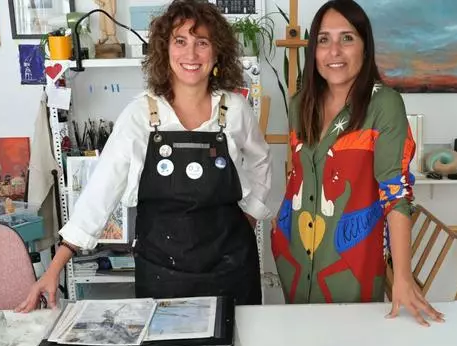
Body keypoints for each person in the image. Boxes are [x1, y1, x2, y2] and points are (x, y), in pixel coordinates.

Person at [17, 0, 272, 312]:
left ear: (217, 52)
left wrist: (252, 213)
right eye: (180, 41)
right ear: (165, 49)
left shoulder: (234, 110)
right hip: (162, 271)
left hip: (231, 267)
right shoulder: (140, 114)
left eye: (202, 43)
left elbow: (261, 161)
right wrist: (55, 267)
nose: (191, 54)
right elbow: (102, 189)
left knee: (236, 343)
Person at [271, 0, 442, 326]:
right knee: (301, 340)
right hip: (294, 253)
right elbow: (299, 174)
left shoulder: (384, 105)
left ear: (365, 46)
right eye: (324, 40)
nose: (334, 51)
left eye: (347, 38)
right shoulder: (300, 104)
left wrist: (402, 276)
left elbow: (395, 192)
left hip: (351, 260)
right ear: (314, 50)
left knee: (352, 341)